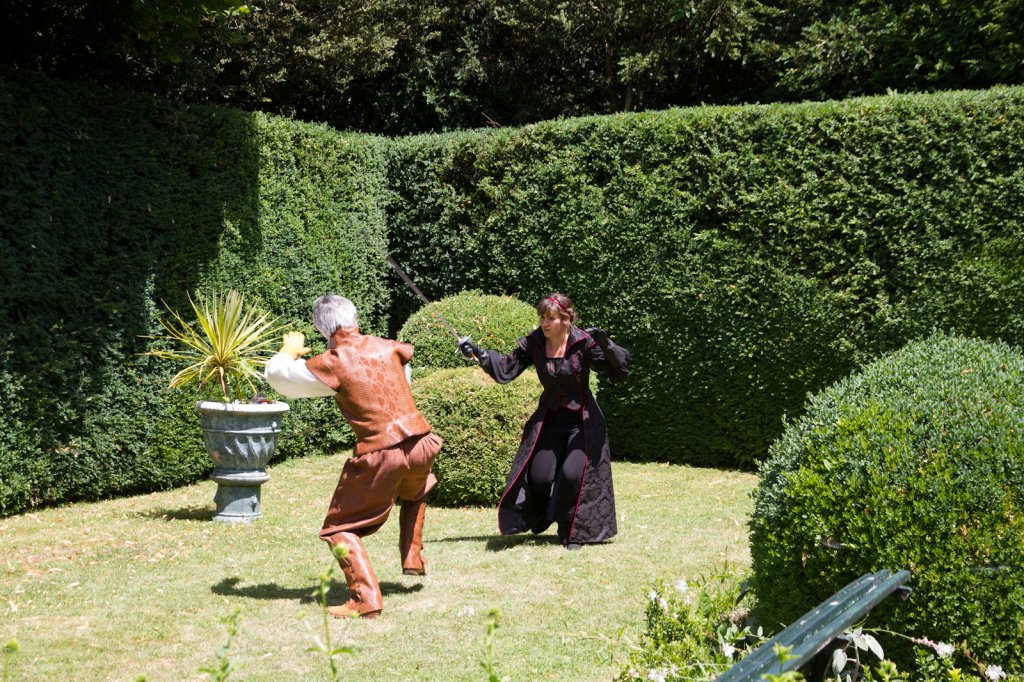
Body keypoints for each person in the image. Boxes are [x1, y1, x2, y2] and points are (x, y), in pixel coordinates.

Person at [265, 295, 442, 619]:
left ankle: (365, 599)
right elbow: (403, 376)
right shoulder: (389, 347)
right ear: (354, 318)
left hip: (382, 452)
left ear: (323, 329)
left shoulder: (333, 361)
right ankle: (413, 558)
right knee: (415, 488)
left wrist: (288, 352)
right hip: (423, 441)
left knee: (338, 528)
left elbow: (280, 378)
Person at [458, 293, 630, 550]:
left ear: (566, 319)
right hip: (550, 419)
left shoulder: (583, 342)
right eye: (542, 317)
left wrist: (606, 344)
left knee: (572, 476)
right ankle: (541, 517)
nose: (545, 323)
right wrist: (477, 353)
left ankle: (569, 531)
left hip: (582, 422)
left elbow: (619, 372)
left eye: (551, 318)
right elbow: (506, 369)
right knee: (539, 477)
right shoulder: (535, 342)